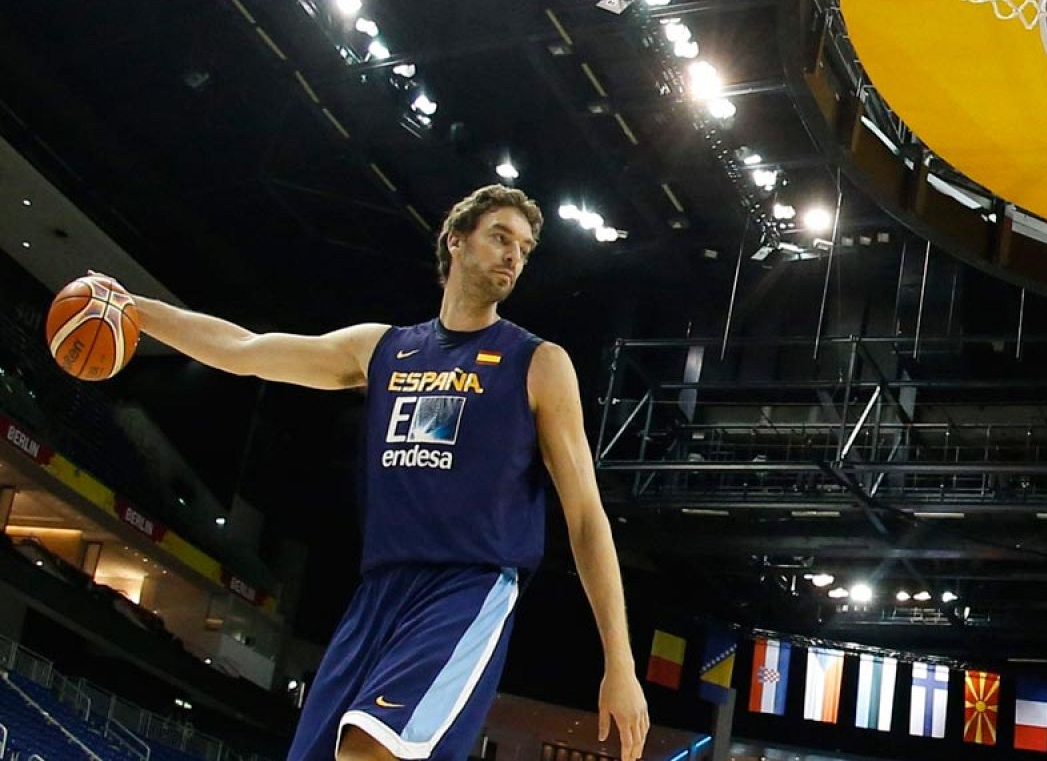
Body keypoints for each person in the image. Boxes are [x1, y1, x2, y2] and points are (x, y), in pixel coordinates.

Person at [101, 185, 649, 761]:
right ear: (455, 242)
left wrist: (620, 661)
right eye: (500, 237)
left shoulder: (537, 363)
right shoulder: (382, 349)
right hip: (378, 592)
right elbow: (245, 349)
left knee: (366, 750)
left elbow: (586, 515)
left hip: (466, 588)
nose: (515, 255)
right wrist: (133, 310)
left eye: (525, 247)